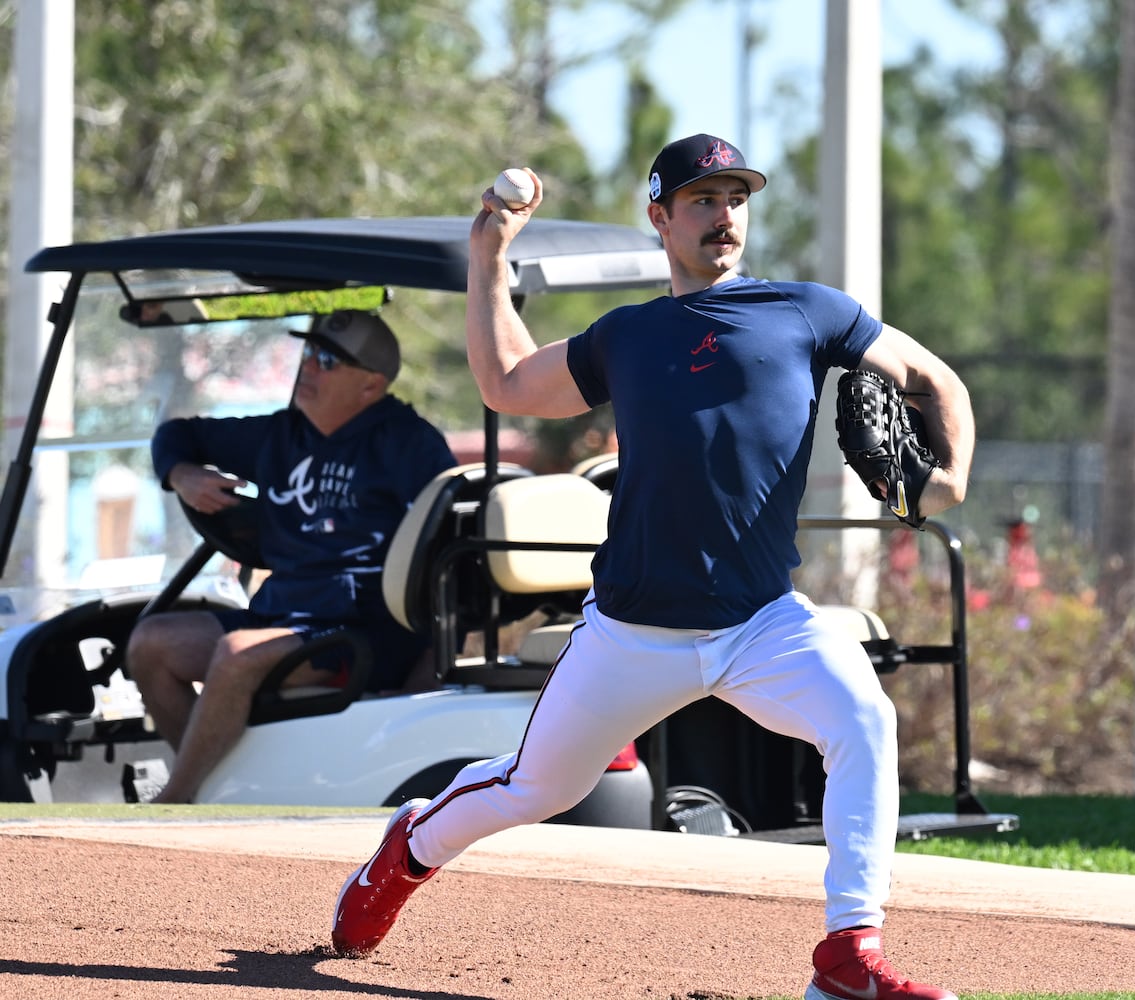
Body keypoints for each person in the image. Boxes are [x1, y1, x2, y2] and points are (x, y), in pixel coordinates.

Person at [331, 135, 975, 1000]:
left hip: (760, 621)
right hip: (632, 632)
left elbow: (937, 380)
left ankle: (847, 954)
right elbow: (509, 385)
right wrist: (488, 259)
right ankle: (407, 850)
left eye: (735, 197)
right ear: (660, 218)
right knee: (534, 788)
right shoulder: (628, 336)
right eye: (702, 199)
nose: (723, 214)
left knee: (865, 720)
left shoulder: (810, 312)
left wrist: (948, 480)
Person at [127, 310, 458, 804]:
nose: (308, 368)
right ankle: (217, 789)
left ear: (369, 386)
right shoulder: (280, 434)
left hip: (360, 630)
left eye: (326, 360)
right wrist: (182, 475)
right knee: (150, 644)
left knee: (238, 655)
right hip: (282, 615)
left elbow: (452, 561)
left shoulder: (409, 445)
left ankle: (176, 800)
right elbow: (177, 434)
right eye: (307, 354)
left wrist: (424, 672)